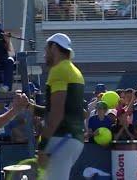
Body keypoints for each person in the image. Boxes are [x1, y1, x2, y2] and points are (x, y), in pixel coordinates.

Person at [25, 33, 84, 180]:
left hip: (60, 140)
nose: (45, 53)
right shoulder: (74, 71)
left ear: (54, 47)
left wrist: (42, 147)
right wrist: (30, 107)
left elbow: (56, 114)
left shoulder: (58, 70)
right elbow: (61, 110)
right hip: (73, 140)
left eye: (46, 49)